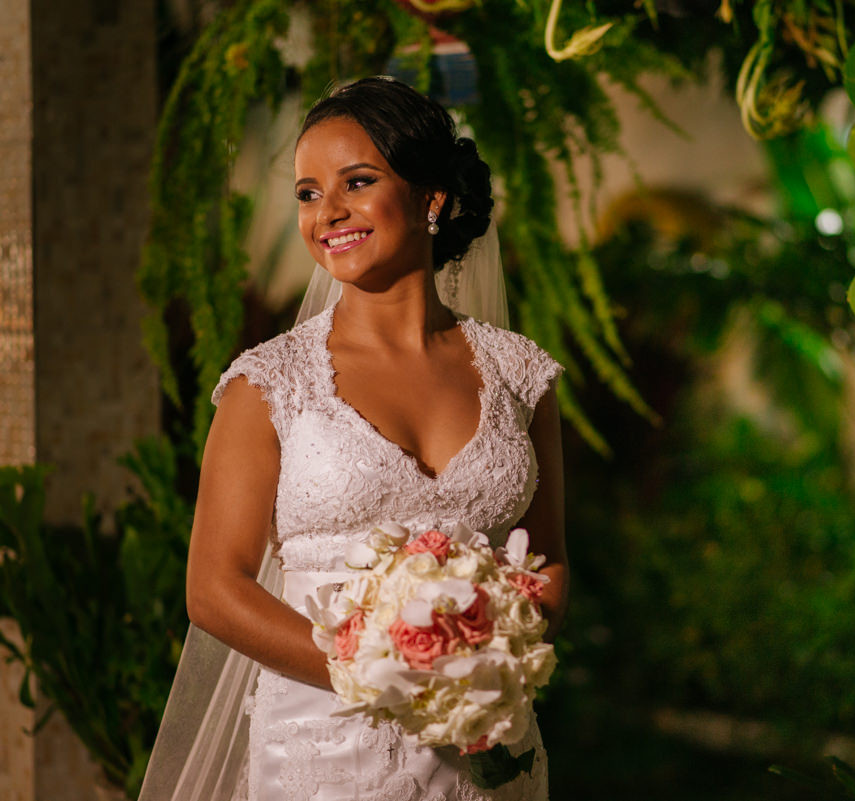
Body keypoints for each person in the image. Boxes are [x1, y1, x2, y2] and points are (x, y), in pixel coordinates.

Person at [144, 77, 567, 801]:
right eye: (308, 193)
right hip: (324, 756)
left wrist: (489, 660)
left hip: (485, 749)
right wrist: (382, 670)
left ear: (431, 198)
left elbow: (548, 557)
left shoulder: (520, 372)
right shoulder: (268, 383)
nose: (328, 212)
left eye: (357, 182)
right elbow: (214, 590)